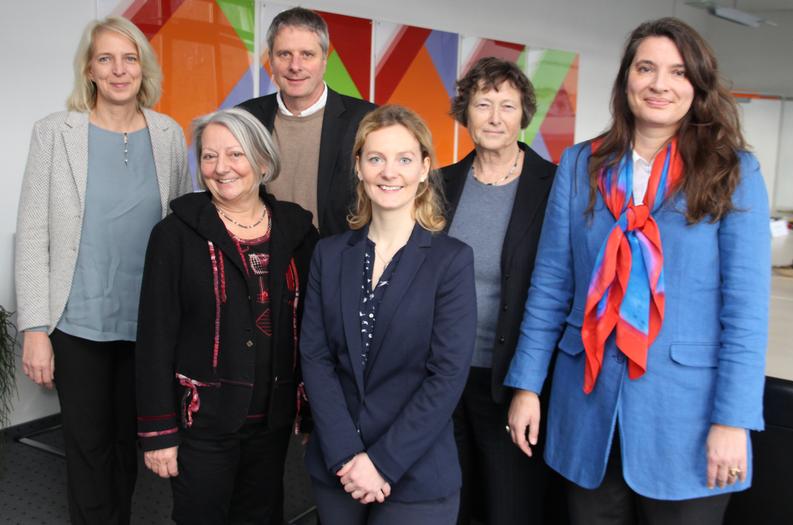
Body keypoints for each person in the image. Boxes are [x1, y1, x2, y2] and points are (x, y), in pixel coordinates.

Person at [505, 17, 770, 525]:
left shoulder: (732, 171)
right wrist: (527, 386)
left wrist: (733, 420)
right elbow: (551, 286)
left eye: (677, 72)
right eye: (646, 68)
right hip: (586, 410)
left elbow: (746, 312)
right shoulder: (582, 164)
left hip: (688, 420)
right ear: (627, 78)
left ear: (697, 85)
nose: (659, 84)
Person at [14, 16, 190, 524]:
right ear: (89, 69)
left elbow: (178, 231)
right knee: (88, 449)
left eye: (130, 58)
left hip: (150, 326)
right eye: (106, 58)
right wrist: (34, 330)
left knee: (127, 444)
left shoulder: (168, 134)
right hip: (77, 323)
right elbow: (34, 234)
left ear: (143, 67)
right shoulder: (55, 133)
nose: (119, 70)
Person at [135, 108, 318, 524]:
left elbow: (311, 330)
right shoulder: (175, 235)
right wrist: (158, 432)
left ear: (263, 162)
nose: (221, 168)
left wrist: (309, 413)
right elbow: (155, 337)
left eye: (235, 155)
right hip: (203, 423)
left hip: (272, 421)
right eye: (209, 156)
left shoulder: (298, 232)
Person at [300, 105, 477, 525]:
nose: (388, 172)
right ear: (359, 167)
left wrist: (380, 463)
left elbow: (447, 376)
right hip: (338, 469)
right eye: (375, 158)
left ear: (424, 169)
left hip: (416, 474)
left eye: (404, 159)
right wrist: (346, 453)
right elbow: (316, 357)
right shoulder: (328, 254)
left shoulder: (451, 261)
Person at [441, 57, 557, 525]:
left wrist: (529, 385)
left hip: (513, 380)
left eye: (506, 106)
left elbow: (558, 290)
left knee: (509, 505)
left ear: (523, 115)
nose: (493, 117)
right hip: (444, 376)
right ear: (465, 112)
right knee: (453, 501)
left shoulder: (552, 186)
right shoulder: (440, 184)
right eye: (482, 104)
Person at [239, 6, 376, 237]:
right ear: (270, 59)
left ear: (324, 59)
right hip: (265, 260)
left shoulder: (367, 120)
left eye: (307, 54)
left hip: (339, 261)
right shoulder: (246, 117)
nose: (295, 66)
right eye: (284, 54)